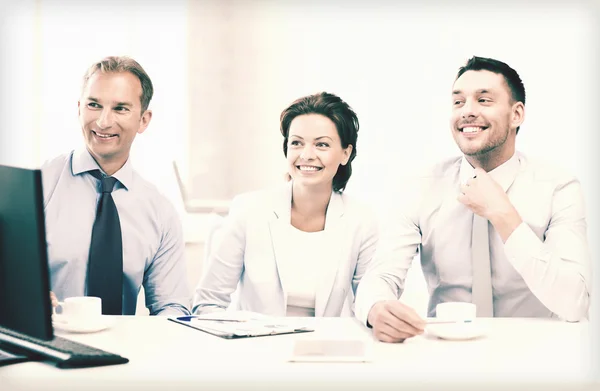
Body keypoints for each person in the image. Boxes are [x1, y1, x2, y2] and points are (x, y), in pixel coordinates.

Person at [355, 56, 591, 343]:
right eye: (458, 102)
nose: (467, 111)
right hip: (448, 354)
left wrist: (504, 214)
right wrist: (377, 308)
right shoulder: (420, 188)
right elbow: (380, 275)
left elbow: (574, 303)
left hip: (537, 352)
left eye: (483, 100)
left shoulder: (559, 188)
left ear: (516, 114)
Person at [192, 92, 378, 317]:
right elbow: (208, 302)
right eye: (297, 143)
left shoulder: (361, 221)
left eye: (322, 145)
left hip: (325, 347)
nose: (306, 155)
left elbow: (372, 301)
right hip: (254, 345)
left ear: (345, 154)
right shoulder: (249, 210)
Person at [43, 56, 190, 316]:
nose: (103, 121)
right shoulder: (37, 188)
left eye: (120, 108)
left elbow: (172, 307)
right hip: (45, 349)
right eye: (93, 105)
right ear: (79, 108)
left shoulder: (160, 212)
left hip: (126, 353)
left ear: (144, 120)